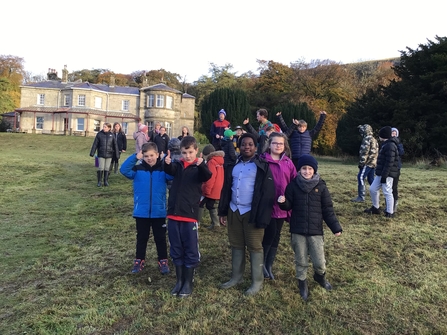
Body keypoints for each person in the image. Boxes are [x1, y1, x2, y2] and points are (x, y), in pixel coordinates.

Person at [278, 154, 342, 301]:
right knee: (301, 260)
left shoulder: (321, 186)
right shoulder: (293, 185)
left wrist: (335, 227)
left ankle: (320, 277)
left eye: (310, 169)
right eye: (304, 168)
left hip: (315, 231)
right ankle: (303, 283)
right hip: (298, 230)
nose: (307, 171)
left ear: (314, 170)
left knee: (319, 262)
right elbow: (288, 206)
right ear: (299, 170)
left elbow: (328, 209)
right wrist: (283, 202)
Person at [218, 133, 275, 296]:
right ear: (239, 146)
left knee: (255, 246)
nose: (247, 147)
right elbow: (226, 188)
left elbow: (268, 193)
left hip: (252, 212)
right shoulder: (233, 165)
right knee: (236, 244)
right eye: (243, 144)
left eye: (250, 144)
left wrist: (263, 217)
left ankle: (257, 281)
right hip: (234, 210)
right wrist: (223, 211)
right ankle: (236, 277)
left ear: (255, 147)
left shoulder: (262, 165)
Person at [164, 136, 212, 298]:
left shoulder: (198, 168)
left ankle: (188, 282)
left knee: (190, 250)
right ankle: (179, 281)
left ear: (196, 151)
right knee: (176, 248)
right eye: (184, 153)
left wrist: (202, 165)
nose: (188, 156)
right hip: (173, 215)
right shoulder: (178, 166)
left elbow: (207, 176)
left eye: (190, 152)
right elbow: (169, 171)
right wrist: (167, 163)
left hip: (189, 216)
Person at [120, 142, 173, 275]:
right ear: (142, 156)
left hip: (159, 211)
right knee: (142, 237)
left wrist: (167, 163)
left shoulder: (162, 170)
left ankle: (163, 261)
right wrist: (135, 157)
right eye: (146, 156)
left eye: (152, 155)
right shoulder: (137, 170)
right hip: (141, 211)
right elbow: (123, 170)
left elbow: (173, 175)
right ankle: (139, 260)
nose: (149, 158)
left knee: (160, 238)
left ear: (157, 154)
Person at [260, 132, 297, 280]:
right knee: (269, 233)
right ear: (269, 144)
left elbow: (294, 182)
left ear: (285, 146)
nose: (278, 146)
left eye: (281, 144)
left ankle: (269, 265)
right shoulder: (263, 161)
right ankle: (261, 264)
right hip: (267, 205)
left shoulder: (288, 163)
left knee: (276, 235)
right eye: (275, 143)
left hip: (282, 206)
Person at [363, 126, 399, 218]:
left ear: (383, 136)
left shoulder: (390, 145)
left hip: (387, 174)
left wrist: (385, 176)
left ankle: (390, 212)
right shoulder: (385, 144)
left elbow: (389, 162)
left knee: (387, 191)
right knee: (372, 189)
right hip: (381, 173)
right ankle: (376, 208)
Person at [198, 144, 225, 229]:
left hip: (211, 187)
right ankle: (216, 223)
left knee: (200, 203)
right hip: (217, 187)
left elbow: (210, 178)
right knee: (210, 205)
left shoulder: (211, 162)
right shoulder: (220, 161)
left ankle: (196, 222)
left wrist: (206, 190)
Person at [351, 124, 379, 202]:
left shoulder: (366, 139)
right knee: (371, 179)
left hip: (367, 163)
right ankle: (376, 194)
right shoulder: (374, 139)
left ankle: (361, 196)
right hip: (373, 163)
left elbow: (364, 152)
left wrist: (362, 163)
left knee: (360, 177)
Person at [89, 122, 119, 187]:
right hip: (101, 154)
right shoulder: (99, 134)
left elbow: (115, 145)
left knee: (107, 168)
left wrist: (117, 154)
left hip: (109, 154)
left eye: (105, 127)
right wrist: (92, 152)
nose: (104, 128)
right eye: (103, 127)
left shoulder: (112, 135)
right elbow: (95, 144)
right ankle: (99, 181)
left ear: (109, 128)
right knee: (101, 168)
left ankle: (105, 181)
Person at [390, 127, 404, 212]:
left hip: (396, 167)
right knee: (388, 188)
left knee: (394, 187)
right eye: (392, 132)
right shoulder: (387, 143)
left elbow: (402, 153)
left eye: (395, 133)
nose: (393, 134)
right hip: (389, 168)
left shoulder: (399, 144)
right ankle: (389, 204)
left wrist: (397, 147)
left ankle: (394, 205)